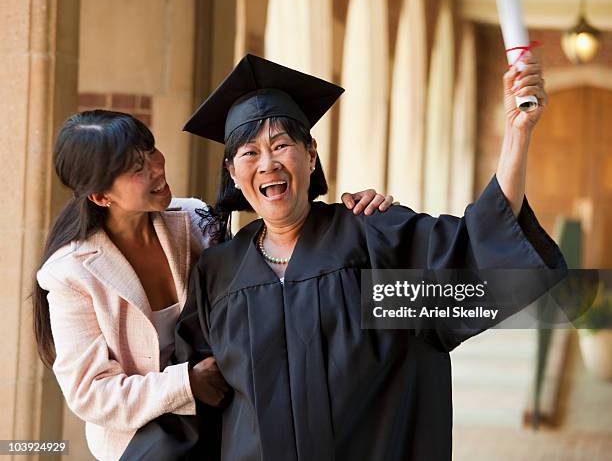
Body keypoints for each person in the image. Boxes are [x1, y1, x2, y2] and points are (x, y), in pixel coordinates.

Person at [159, 53, 566, 461]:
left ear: (311, 154)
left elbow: (476, 249)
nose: (268, 163)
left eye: (281, 144)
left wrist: (517, 135)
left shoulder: (373, 242)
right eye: (249, 153)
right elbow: (196, 401)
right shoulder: (218, 274)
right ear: (233, 173)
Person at [33, 110, 395, 461]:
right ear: (101, 196)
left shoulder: (196, 221)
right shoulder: (71, 272)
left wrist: (364, 229)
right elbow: (91, 393)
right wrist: (187, 382)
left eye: (150, 151)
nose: (157, 167)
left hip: (223, 430)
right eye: (137, 168)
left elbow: (253, 290)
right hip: (144, 445)